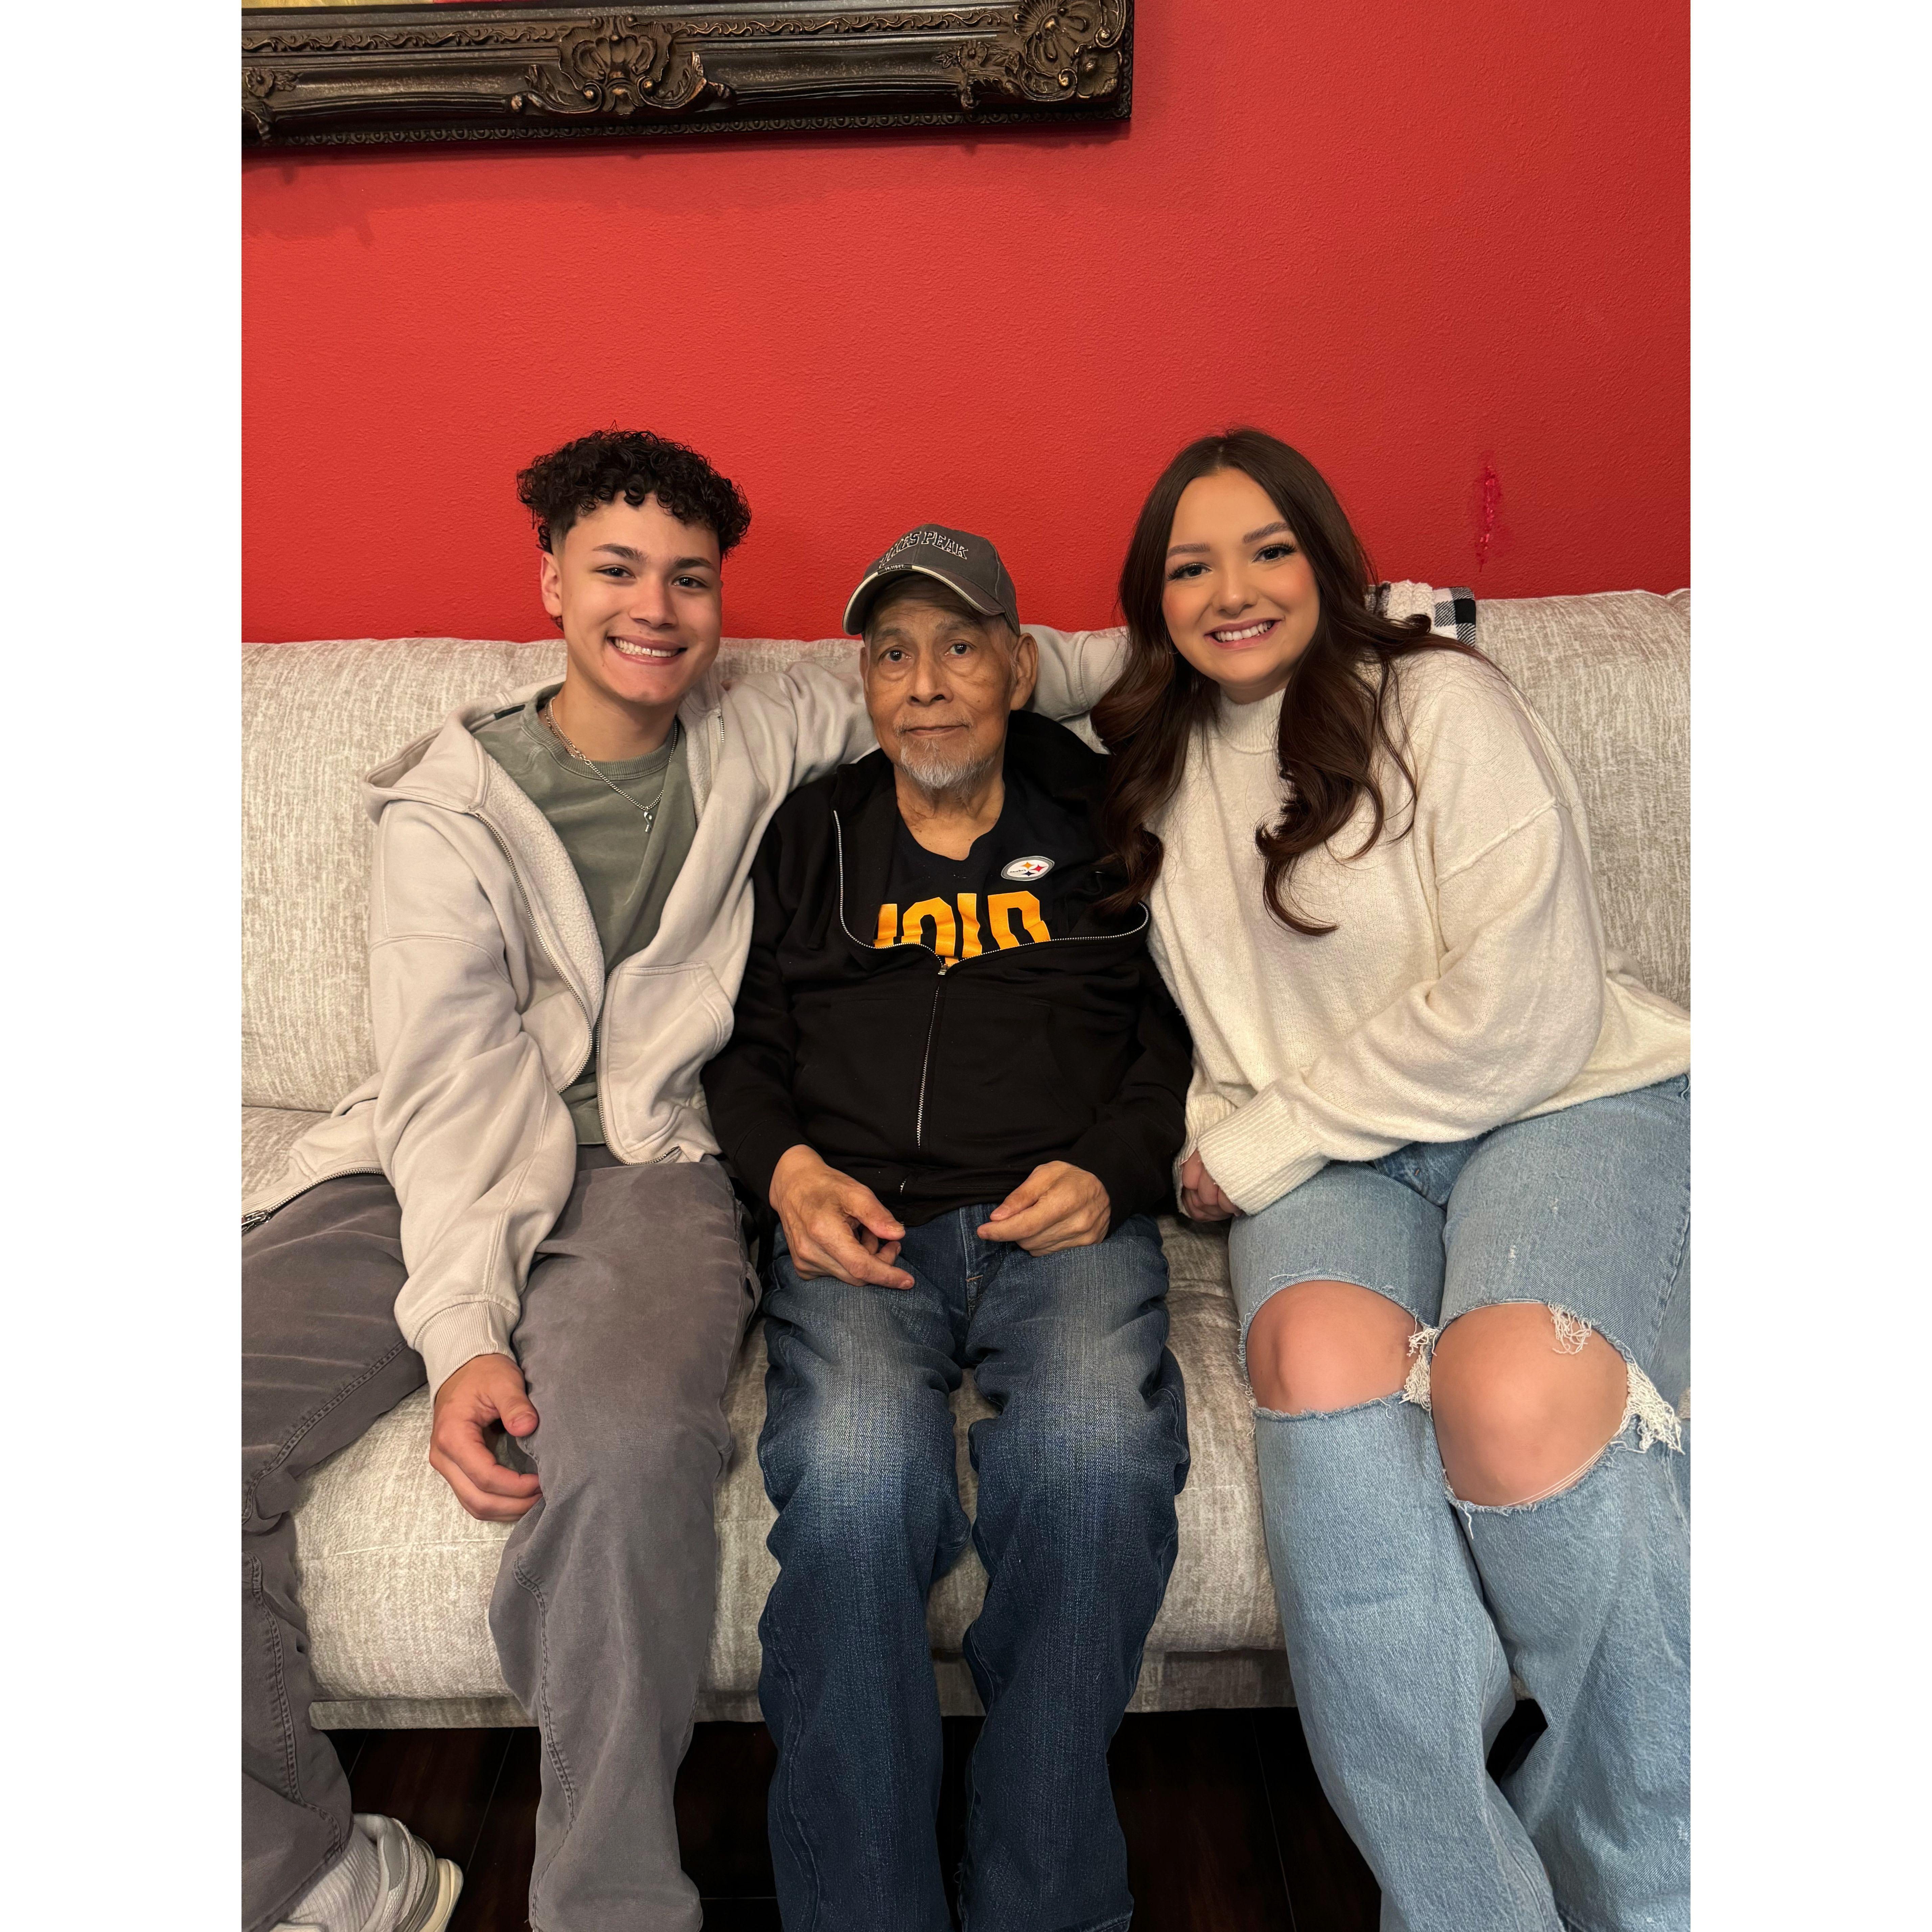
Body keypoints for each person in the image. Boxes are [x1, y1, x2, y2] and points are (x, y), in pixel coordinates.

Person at [241, 442, 1103, 1932]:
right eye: (616, 571)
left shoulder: (767, 719)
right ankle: (298, 1873)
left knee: (631, 1453)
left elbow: (1032, 664)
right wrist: (464, 1334)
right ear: (551, 584)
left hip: (649, 1163)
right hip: (426, 1163)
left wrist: (1329, 624)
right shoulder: (448, 810)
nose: (654, 608)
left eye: (688, 579)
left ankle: (610, 1906)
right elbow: (452, 1095)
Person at [1077, 429, 1692, 1932]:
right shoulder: (1149, 752)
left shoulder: (1437, 699)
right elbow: (1001, 666)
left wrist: (1254, 1143)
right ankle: (1462, 1905)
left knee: (1518, 1392)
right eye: (1190, 567)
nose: (1233, 592)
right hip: (1332, 1158)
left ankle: (1659, 1884)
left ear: (1330, 560)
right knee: (1315, 1361)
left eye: (1269, 551)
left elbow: (1526, 1010)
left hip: (1558, 1099)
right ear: (1153, 603)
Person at [701, 526, 1194, 1932]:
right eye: (893, 654)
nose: (925, 685)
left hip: (1064, 1223)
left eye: (961, 648)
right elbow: (740, 1046)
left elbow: (1181, 1035)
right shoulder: (811, 835)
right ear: (863, 681)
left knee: (1096, 1470)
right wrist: (788, 1173)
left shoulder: (1112, 818)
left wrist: (1113, 1167)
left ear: (1021, 670)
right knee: (855, 1489)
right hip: (862, 1231)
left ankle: (1044, 1897)